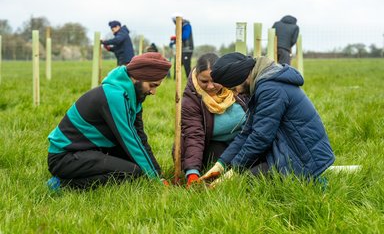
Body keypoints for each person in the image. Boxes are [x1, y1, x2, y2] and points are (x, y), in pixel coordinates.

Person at [200, 52, 335, 185]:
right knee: (243, 175)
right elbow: (247, 133)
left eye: (234, 88)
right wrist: (221, 164)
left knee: (243, 184)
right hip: (290, 150)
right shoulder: (263, 85)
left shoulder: (270, 89)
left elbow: (260, 137)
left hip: (304, 159)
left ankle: (312, 180)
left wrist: (234, 170)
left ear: (243, 76)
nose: (237, 93)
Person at [47, 53, 171, 190]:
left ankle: (72, 177)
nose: (153, 92)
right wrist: (153, 178)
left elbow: (139, 137)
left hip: (89, 150)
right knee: (134, 173)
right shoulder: (114, 96)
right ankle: (62, 185)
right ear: (138, 76)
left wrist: (157, 174)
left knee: (137, 167)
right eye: (152, 85)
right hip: (64, 157)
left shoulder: (134, 95)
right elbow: (129, 139)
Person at [180, 53, 248, 188]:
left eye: (215, 80)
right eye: (204, 81)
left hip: (243, 143)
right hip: (212, 147)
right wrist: (193, 172)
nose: (210, 86)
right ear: (196, 77)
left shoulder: (238, 88)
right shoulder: (191, 100)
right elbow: (194, 136)